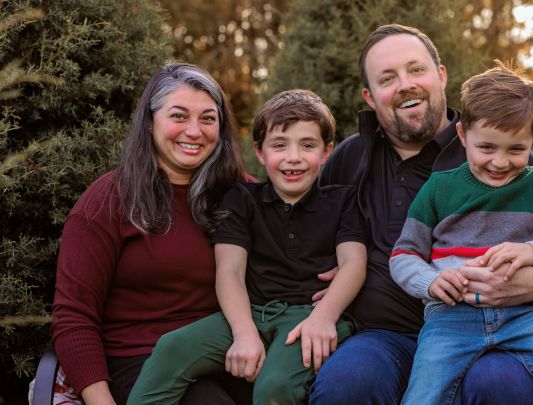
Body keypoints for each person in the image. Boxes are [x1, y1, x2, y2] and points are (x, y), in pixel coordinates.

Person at [310, 24, 533, 404]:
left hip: (506, 323)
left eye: (416, 69)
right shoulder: (351, 158)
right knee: (346, 384)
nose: (405, 85)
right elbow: (304, 233)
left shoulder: (505, 155)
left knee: (501, 385)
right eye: (387, 78)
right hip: (383, 335)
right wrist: (330, 284)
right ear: (370, 96)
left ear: (441, 75)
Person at [127, 89, 367, 405]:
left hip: (309, 317)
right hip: (250, 313)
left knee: (275, 387)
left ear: (326, 152)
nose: (293, 157)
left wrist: (324, 317)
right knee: (172, 348)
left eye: (307, 145)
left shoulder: (342, 200)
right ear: (260, 151)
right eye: (279, 145)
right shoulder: (242, 199)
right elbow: (230, 271)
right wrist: (243, 334)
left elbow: (353, 263)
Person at [389, 62, 533, 405]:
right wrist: (430, 282)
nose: (500, 162)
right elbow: (403, 255)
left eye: (516, 149)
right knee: (423, 398)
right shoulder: (439, 188)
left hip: (527, 315)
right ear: (463, 135)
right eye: (487, 148)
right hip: (450, 318)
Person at [51, 63, 251, 405]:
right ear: (149, 121)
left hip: (228, 353)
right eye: (179, 116)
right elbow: (74, 316)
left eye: (207, 118)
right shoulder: (107, 202)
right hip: (140, 362)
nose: (194, 131)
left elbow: (298, 234)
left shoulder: (242, 194)